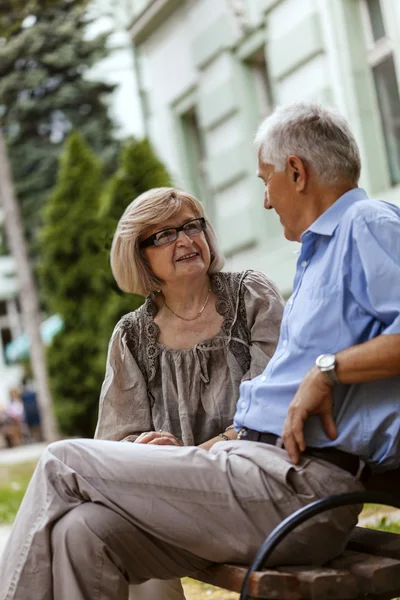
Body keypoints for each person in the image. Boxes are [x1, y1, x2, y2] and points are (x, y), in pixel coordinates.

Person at [2, 102, 400, 600]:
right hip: (256, 476)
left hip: (295, 486)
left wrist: (328, 370)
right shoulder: (318, 254)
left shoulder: (366, 222)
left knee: (63, 460)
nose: (265, 201)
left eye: (265, 180)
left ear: (296, 172)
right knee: (82, 532)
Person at [94, 186, 284, 600]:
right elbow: (116, 441)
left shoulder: (251, 296)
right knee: (110, 526)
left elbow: (274, 409)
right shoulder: (131, 334)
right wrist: (146, 445)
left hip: (256, 488)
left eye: (190, 226)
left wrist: (194, 455)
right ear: (138, 254)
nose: (184, 240)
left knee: (101, 507)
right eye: (163, 235)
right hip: (180, 501)